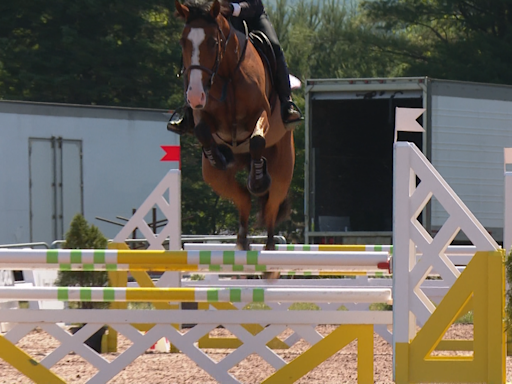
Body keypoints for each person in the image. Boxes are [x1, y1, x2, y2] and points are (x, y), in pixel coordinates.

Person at [168, 0, 303, 134]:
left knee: (274, 46)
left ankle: (286, 104)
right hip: (220, 19)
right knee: (195, 47)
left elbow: (254, 4)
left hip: (253, 16)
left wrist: (233, 8)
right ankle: (188, 111)